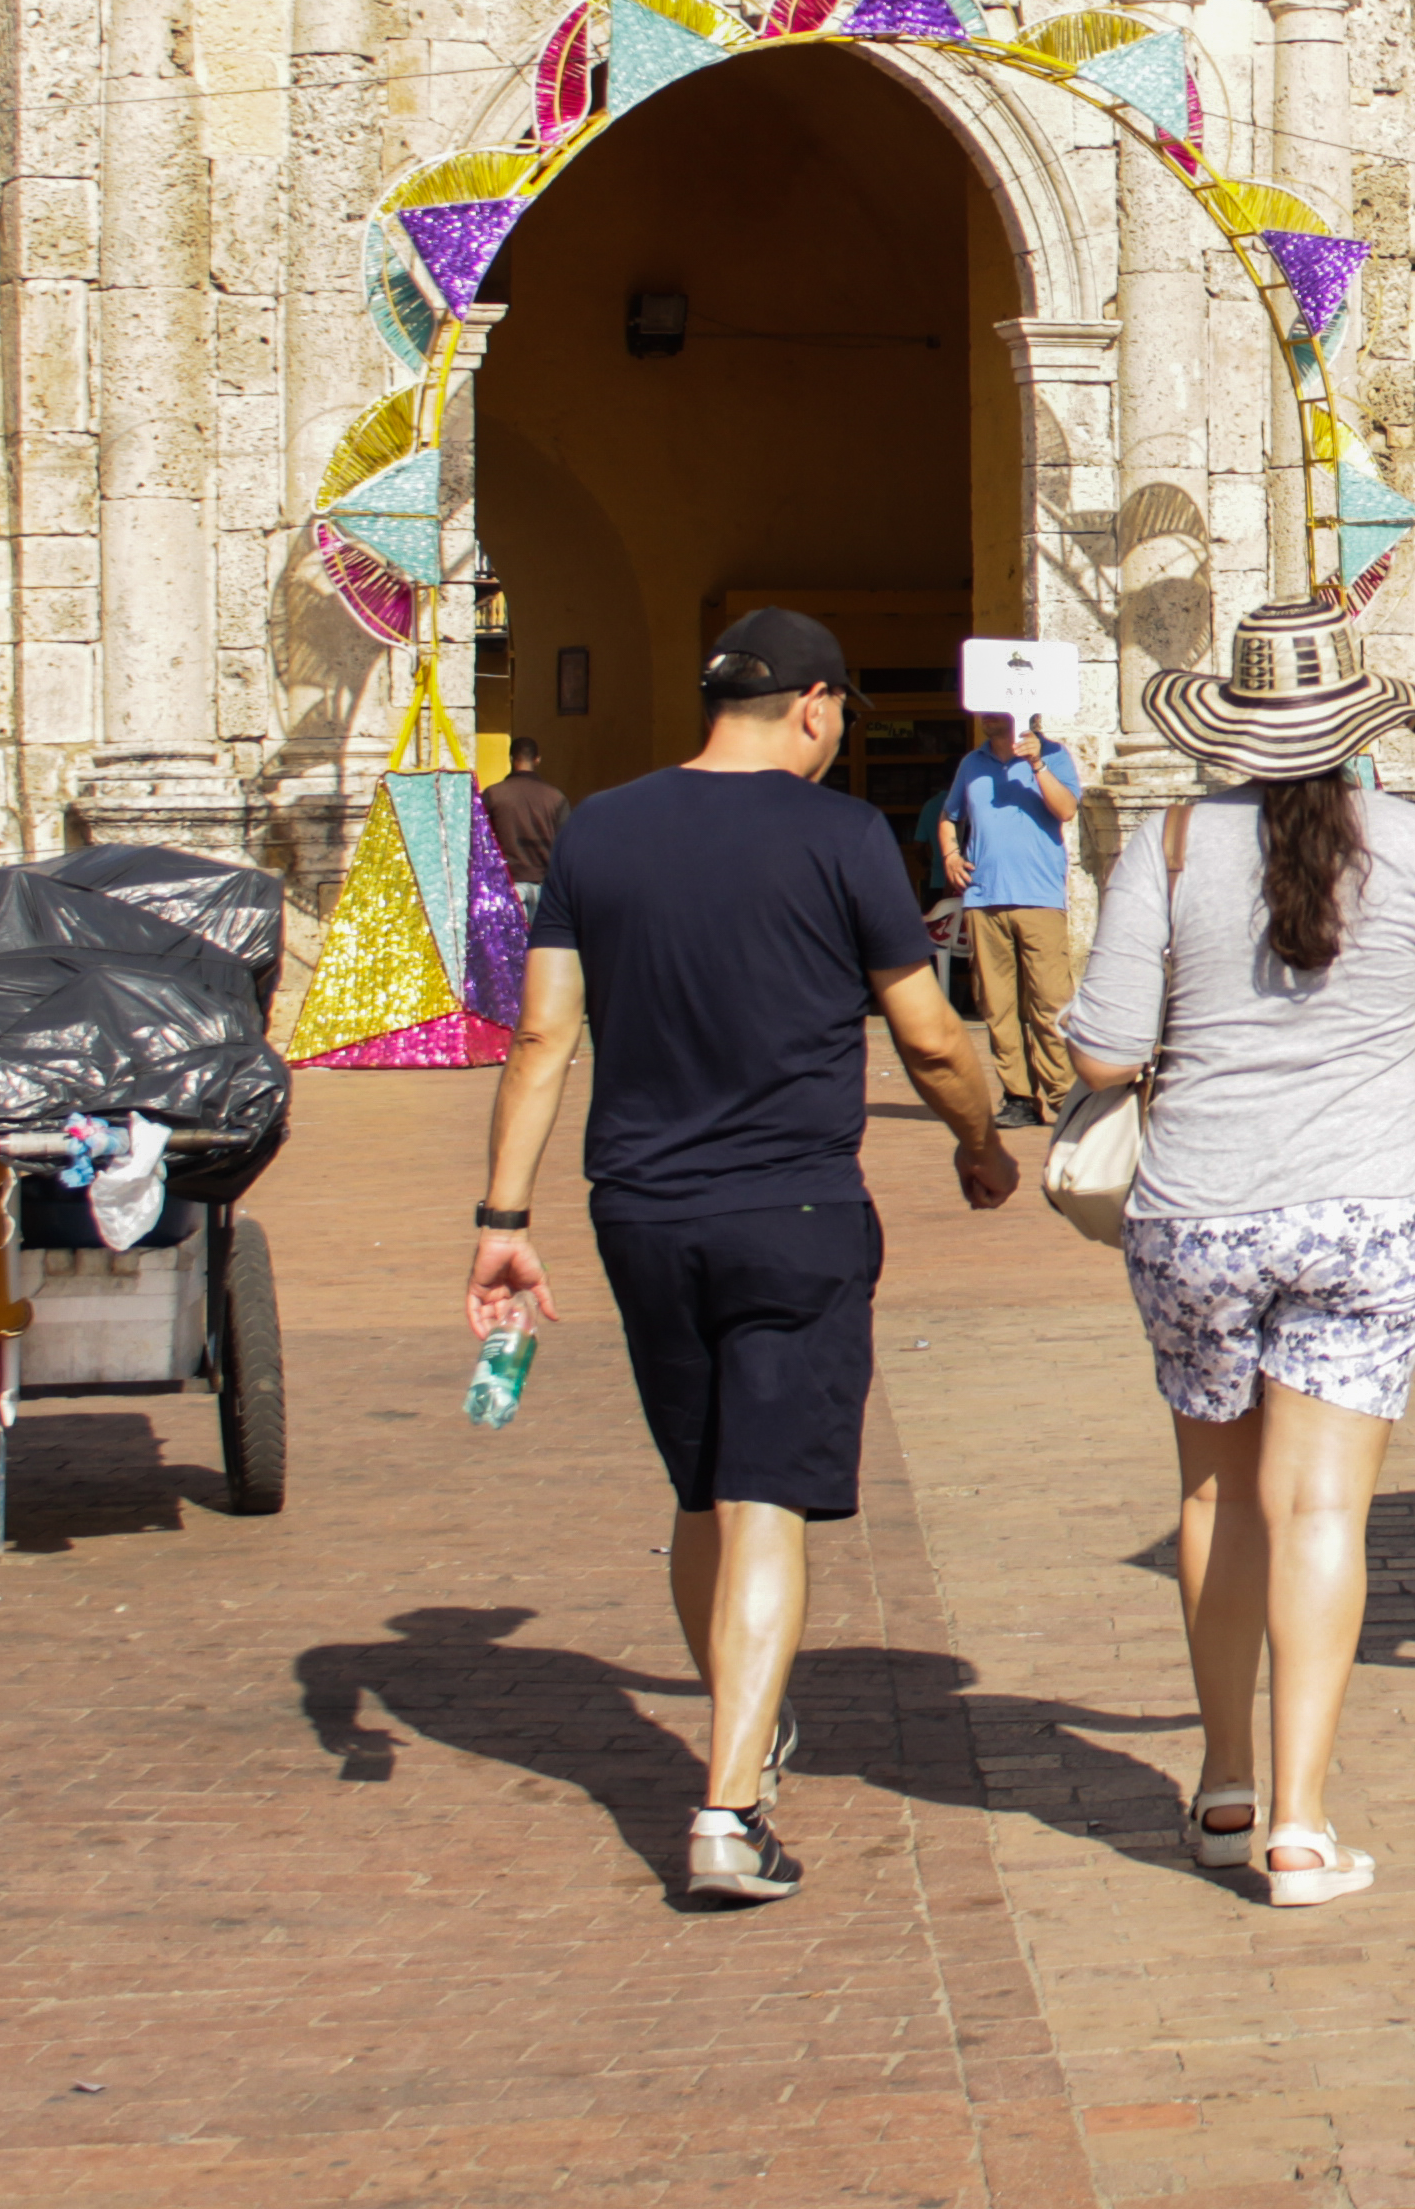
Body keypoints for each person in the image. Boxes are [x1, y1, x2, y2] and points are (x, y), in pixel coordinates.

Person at [463, 608, 1021, 1906]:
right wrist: (980, 1141)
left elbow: (544, 1037)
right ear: (818, 707)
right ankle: (726, 1805)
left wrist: (503, 1221)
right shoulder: (838, 836)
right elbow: (931, 1035)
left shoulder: (601, 826)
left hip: (642, 1213)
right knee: (765, 1492)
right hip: (796, 1212)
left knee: (705, 1488)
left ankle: (744, 1725)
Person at [1066, 597, 1415, 1912]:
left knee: (1215, 1495)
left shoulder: (1162, 849)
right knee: (1319, 1506)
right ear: (1351, 729)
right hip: (1367, 1211)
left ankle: (1221, 1783)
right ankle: (1303, 1825)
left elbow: (1100, 1053)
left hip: (1197, 1209)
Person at [933, 710, 1086, 1132]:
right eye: (982, 708)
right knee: (997, 1004)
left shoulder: (1054, 755)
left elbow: (1067, 809)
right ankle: (1018, 1096)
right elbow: (948, 817)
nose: (986, 716)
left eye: (996, 709)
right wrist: (950, 855)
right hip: (985, 897)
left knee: (1050, 1000)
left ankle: (1063, 1096)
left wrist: (1036, 764)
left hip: (1038, 898)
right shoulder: (971, 763)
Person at [481, 736, 571, 921]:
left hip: (507, 883)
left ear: (511, 759)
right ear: (537, 759)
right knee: (540, 947)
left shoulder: (493, 794)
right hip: (545, 886)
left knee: (511, 947)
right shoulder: (555, 797)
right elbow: (567, 846)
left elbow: (480, 841)